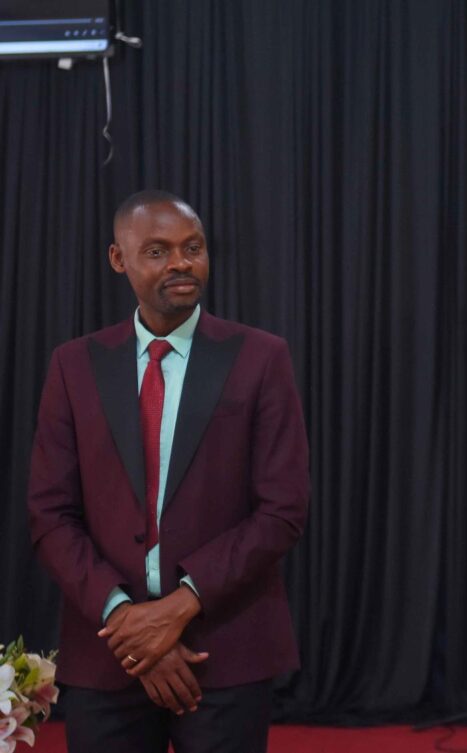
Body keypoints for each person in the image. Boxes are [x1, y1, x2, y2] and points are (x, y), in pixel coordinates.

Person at [27, 190, 309, 753]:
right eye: (157, 251)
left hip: (223, 649)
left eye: (192, 248)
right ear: (118, 259)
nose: (180, 263)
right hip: (107, 651)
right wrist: (127, 622)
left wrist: (180, 607)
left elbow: (283, 510)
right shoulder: (73, 365)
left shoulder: (261, 358)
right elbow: (50, 514)